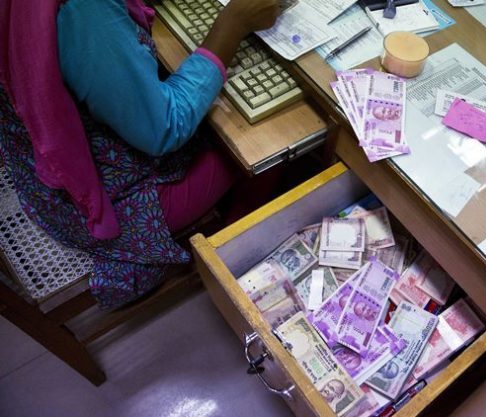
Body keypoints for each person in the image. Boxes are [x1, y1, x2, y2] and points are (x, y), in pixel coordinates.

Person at [0, 0, 280, 309]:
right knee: (273, 140)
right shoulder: (82, 10)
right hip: (105, 203)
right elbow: (164, 128)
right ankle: (233, 259)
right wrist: (233, 24)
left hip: (36, 169)